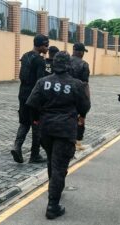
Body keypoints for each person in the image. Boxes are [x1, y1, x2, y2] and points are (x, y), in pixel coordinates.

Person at [26, 51, 91, 219]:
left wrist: (36, 121)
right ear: (68, 65)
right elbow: (85, 106)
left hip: (46, 129)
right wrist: (79, 116)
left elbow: (32, 104)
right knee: (59, 167)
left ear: (54, 64)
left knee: (52, 162)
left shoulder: (43, 82)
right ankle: (52, 205)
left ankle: (54, 190)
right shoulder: (76, 84)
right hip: (65, 129)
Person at [11, 34, 49, 164]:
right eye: (46, 45)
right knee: (36, 125)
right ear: (40, 46)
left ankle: (17, 146)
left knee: (24, 122)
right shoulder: (40, 61)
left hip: (22, 94)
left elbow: (22, 76)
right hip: (34, 97)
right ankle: (35, 155)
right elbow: (40, 82)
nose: (47, 48)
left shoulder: (25, 56)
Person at [70, 43, 90, 151]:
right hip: (78, 96)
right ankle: (78, 143)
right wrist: (87, 102)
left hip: (65, 94)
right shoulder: (84, 64)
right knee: (81, 119)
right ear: (81, 52)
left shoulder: (65, 61)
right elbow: (85, 84)